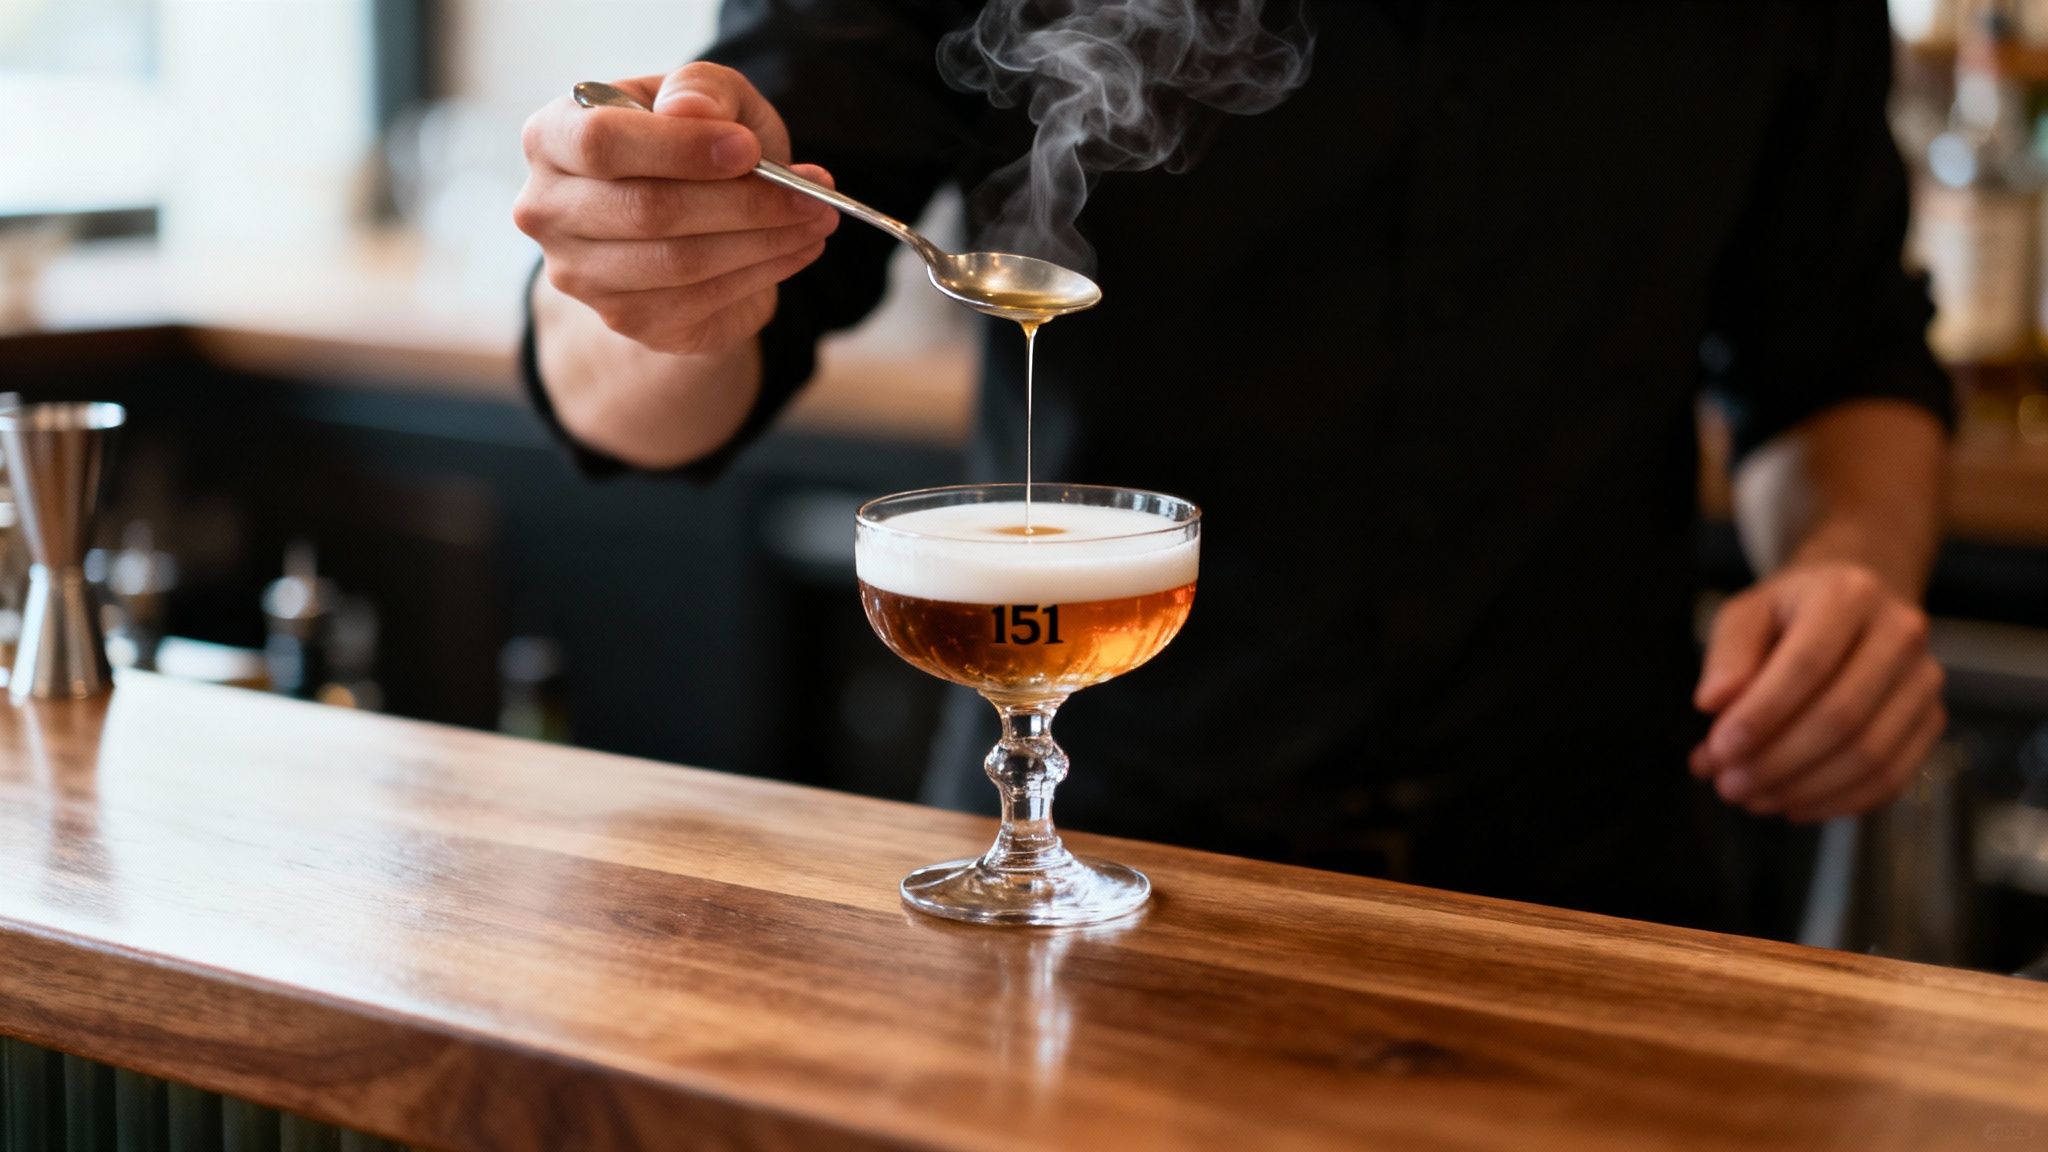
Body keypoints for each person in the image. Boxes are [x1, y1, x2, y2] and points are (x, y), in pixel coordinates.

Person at [512, 2, 1950, 931]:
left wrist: (1847, 572)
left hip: (1592, 887)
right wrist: (652, 258)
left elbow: (1838, 362)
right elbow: (642, 399)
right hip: (1103, 871)